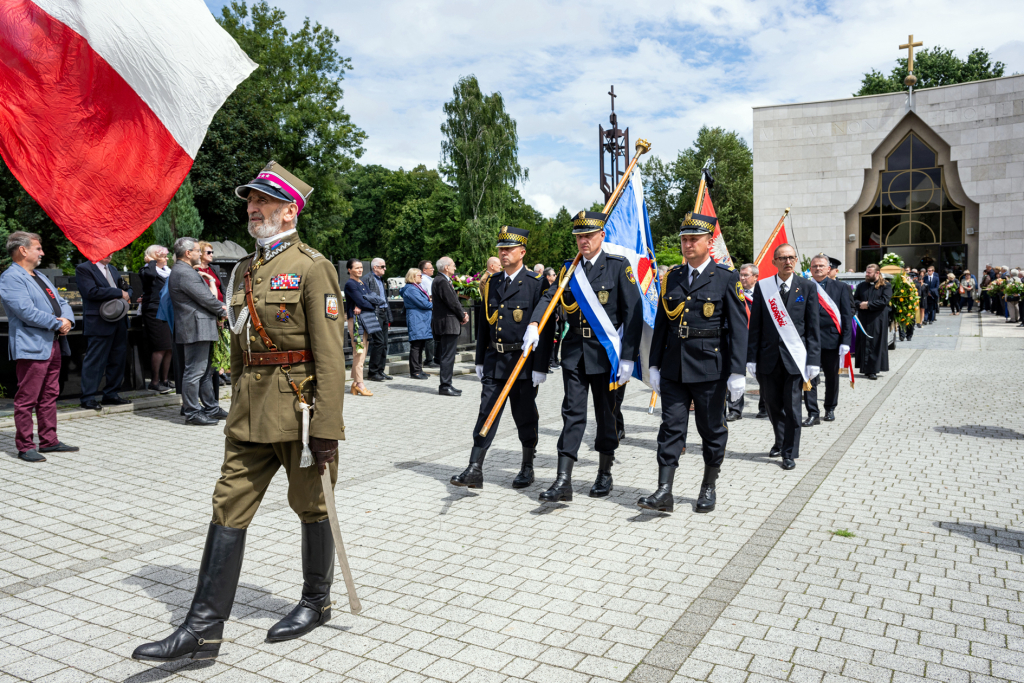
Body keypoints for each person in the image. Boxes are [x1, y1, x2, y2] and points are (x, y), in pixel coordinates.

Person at [132, 161, 345, 663]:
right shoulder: (245, 270)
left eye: (262, 203)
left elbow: (331, 355)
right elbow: (244, 346)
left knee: (312, 505)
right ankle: (201, 629)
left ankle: (316, 601)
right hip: (249, 410)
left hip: (300, 412)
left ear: (288, 210)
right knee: (227, 507)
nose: (252, 210)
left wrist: (329, 428)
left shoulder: (314, 266)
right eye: (250, 202)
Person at [639, 213, 747, 513]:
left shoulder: (726, 277)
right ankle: (664, 491)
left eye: (694, 239)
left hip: (710, 368)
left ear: (708, 243)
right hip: (674, 368)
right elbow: (662, 323)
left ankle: (708, 485)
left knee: (711, 429)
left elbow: (738, 328)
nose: (687, 244)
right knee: (671, 428)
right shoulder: (671, 277)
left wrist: (738, 371)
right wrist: (655, 365)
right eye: (684, 239)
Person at [531, 210, 642, 502]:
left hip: (606, 356)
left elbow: (633, 314)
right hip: (575, 354)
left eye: (589, 236)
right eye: (579, 236)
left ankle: (604, 472)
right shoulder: (570, 269)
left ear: (601, 236)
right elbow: (549, 297)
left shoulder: (619, 267)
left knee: (607, 416)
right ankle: (563, 480)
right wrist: (534, 322)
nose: (583, 241)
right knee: (572, 414)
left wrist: (629, 357)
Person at [450, 226, 554, 489]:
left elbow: (546, 324)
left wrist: (541, 365)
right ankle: (475, 468)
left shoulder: (535, 282)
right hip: (496, 361)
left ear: (522, 252)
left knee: (525, 415)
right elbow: (486, 323)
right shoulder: (493, 282)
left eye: (509, 249)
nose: (504, 253)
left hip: (522, 363)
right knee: (486, 412)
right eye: (501, 249)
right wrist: (480, 359)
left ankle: (527, 466)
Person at [0, 232, 78, 462]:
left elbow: (62, 302)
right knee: (27, 397)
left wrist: (68, 320)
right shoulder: (10, 277)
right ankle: (25, 446)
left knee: (50, 394)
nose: (42, 252)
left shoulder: (40, 276)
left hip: (53, 343)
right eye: (38, 248)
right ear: (23, 250)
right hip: (32, 345)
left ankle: (49, 441)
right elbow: (25, 311)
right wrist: (57, 323)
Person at [746, 243, 820, 471]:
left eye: (791, 257)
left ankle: (789, 452)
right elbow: (755, 324)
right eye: (783, 258)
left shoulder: (806, 287)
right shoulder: (764, 288)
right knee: (772, 405)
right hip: (768, 358)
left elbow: (812, 327)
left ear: (796, 260)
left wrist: (814, 361)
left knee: (793, 407)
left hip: (794, 359)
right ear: (774, 262)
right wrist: (751, 357)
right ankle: (780, 440)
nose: (788, 261)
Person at [168, 237, 228, 426]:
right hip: (195, 327)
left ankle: (210, 407)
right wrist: (222, 310)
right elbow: (205, 298)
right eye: (197, 251)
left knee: (204, 371)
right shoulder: (184, 272)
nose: (200, 254)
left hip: (200, 326)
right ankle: (192, 412)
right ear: (188, 254)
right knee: (194, 371)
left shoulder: (185, 271)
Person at [75, 250, 133, 410]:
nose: (109, 254)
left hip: (119, 320)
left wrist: (128, 293)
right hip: (99, 321)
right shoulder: (84, 268)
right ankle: (88, 397)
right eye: (104, 251)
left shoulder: (113, 269)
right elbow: (90, 292)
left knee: (118, 359)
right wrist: (118, 293)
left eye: (111, 251)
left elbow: (125, 287)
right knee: (95, 360)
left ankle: (111, 394)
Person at [802, 254, 852, 425]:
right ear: (810, 269)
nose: (818, 269)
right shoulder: (803, 286)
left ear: (828, 268)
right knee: (809, 377)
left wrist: (846, 342)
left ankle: (830, 408)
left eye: (821, 266)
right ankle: (812, 412)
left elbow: (847, 316)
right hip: (809, 341)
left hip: (832, 339)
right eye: (815, 266)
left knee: (832, 377)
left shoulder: (841, 287)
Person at [727, 262, 767, 421]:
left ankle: (765, 407)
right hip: (737, 339)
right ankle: (735, 409)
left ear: (756, 277)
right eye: (740, 275)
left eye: (745, 275)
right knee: (735, 372)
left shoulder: (764, 293)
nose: (742, 278)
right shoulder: (733, 292)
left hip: (758, 340)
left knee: (763, 374)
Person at [432, 256, 468, 396]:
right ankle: (445, 386)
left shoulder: (442, 280)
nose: (455, 268)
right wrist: (462, 315)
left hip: (448, 322)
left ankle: (448, 384)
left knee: (448, 355)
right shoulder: (441, 281)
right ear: (446, 267)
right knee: (447, 356)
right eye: (453, 265)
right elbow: (452, 302)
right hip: (448, 323)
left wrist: (462, 313)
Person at [139, 244, 173, 393]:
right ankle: (154, 381)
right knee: (160, 346)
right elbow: (152, 276)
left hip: (168, 311)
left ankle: (165, 380)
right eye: (163, 256)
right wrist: (152, 261)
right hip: (154, 311)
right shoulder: (146, 270)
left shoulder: (168, 271)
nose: (166, 259)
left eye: (165, 256)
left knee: (169, 347)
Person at [196, 241, 230, 389]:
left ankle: (220, 371)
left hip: (221, 307)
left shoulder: (213, 268)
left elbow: (221, 288)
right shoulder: (195, 271)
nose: (212, 255)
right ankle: (214, 373)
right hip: (210, 310)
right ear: (201, 254)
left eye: (212, 252)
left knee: (220, 343)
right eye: (208, 252)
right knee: (213, 346)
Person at [853, 264, 892, 380]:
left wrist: (868, 305)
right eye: (866, 272)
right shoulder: (861, 286)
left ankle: (873, 370)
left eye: (869, 273)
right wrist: (860, 304)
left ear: (877, 273)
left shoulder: (885, 286)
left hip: (877, 320)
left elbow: (884, 301)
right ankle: (865, 368)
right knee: (864, 343)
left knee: (875, 343)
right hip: (863, 319)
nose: (866, 274)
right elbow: (854, 299)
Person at [343, 259, 374, 396]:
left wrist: (361, 304)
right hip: (355, 321)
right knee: (359, 351)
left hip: (363, 320)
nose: (360, 270)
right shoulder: (350, 284)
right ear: (349, 270)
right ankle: (360, 383)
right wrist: (363, 303)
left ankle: (355, 383)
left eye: (361, 267)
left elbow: (372, 297)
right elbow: (366, 300)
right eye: (356, 268)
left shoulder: (361, 282)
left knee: (363, 350)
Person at [400, 267, 433, 380]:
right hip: (417, 319)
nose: (422, 277)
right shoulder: (411, 289)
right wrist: (435, 304)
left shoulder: (416, 287)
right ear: (413, 277)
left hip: (421, 319)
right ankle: (415, 371)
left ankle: (419, 369)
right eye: (419, 275)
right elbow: (423, 303)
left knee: (421, 345)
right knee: (416, 345)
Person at [365, 258, 393, 381]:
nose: (385, 269)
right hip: (374, 313)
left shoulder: (381, 280)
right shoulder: (368, 279)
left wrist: (389, 316)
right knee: (379, 342)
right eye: (382, 266)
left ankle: (380, 371)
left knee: (385, 343)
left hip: (383, 313)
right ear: (375, 267)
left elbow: (385, 299)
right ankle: (373, 372)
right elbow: (366, 296)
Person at [418, 260, 437, 368]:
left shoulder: (428, 279)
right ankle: (429, 359)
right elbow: (431, 295)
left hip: (430, 309)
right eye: (431, 268)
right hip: (429, 310)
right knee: (430, 336)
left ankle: (430, 358)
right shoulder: (425, 280)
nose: (433, 269)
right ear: (424, 270)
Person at [543, 267, 561, 370]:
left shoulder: (555, 287)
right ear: (548, 276)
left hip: (557, 317)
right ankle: (548, 363)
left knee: (555, 340)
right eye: (553, 275)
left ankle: (552, 361)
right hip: (548, 318)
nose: (555, 276)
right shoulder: (546, 287)